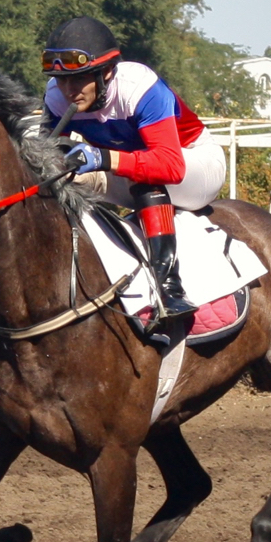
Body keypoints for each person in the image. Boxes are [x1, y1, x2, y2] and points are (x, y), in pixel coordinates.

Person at [42, 16, 226, 322]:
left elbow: (169, 165)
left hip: (194, 164)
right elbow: (47, 158)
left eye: (79, 79)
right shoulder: (55, 96)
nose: (68, 90)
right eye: (61, 80)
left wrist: (105, 158)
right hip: (135, 171)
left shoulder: (139, 87)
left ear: (107, 72)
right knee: (61, 177)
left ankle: (171, 290)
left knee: (146, 179)